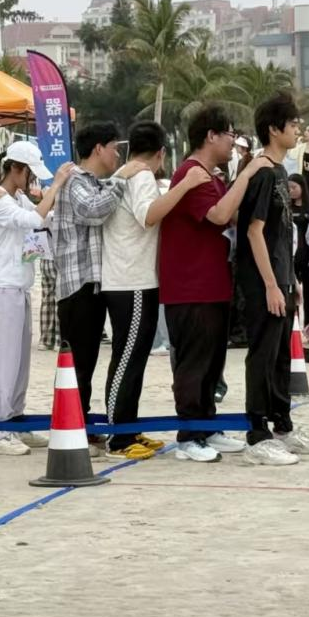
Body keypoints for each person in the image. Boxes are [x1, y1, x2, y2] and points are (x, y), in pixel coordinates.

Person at [159, 105, 264, 462]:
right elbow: (219, 215)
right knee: (193, 362)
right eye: (230, 134)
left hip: (214, 283)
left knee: (212, 363)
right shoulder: (191, 174)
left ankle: (207, 426)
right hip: (190, 287)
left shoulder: (213, 176)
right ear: (211, 136)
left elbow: (232, 215)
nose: (234, 141)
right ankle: (189, 436)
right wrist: (247, 174)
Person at [102, 121, 210, 458]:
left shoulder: (129, 173)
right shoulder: (141, 175)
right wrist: (185, 185)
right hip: (130, 280)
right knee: (127, 357)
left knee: (134, 358)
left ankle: (129, 428)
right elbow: (148, 215)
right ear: (161, 153)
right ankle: (118, 437)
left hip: (135, 280)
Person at [237, 94, 309, 465]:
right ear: (274, 130)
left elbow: (280, 234)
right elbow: (254, 231)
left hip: (282, 277)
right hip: (263, 282)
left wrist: (289, 279)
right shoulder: (262, 173)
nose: (298, 129)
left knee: (279, 357)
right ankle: (257, 433)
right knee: (262, 355)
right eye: (292, 124)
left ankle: (283, 425)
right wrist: (271, 284)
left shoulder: (278, 172)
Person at [51, 121, 148, 442]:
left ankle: (82, 426)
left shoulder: (94, 182)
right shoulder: (74, 180)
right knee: (78, 363)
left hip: (93, 286)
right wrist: (121, 178)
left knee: (88, 360)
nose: (118, 155)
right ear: (98, 149)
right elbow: (93, 211)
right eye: (114, 148)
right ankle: (72, 430)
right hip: (77, 286)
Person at [0, 142, 70, 455]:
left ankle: (15, 420)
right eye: (29, 173)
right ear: (15, 169)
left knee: (20, 361)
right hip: (2, 286)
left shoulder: (18, 197)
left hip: (20, 284)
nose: (31, 180)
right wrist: (55, 185)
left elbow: (37, 224)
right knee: (4, 359)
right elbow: (33, 220)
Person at [288, 175, 309, 336]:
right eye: (289, 188)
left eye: (294, 187)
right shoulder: (286, 206)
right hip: (291, 256)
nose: (291, 191)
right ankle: (292, 328)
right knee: (291, 293)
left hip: (308, 256)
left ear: (302, 187)